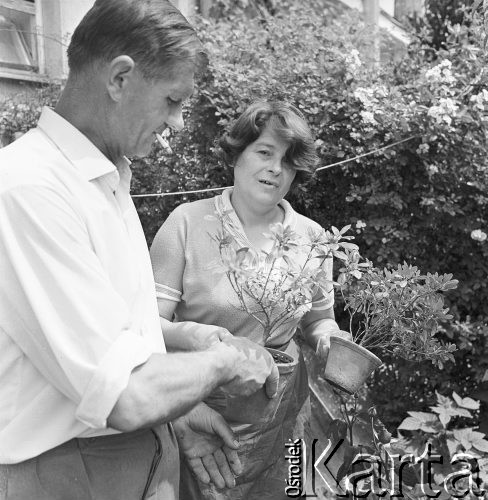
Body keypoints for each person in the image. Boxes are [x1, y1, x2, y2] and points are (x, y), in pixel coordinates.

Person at [0, 2, 280, 499]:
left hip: (124, 459)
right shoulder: (30, 188)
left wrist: (181, 387)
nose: (175, 122)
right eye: (173, 100)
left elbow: (104, 338)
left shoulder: (102, 177)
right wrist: (225, 362)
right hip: (65, 476)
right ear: (120, 78)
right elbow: (124, 395)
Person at [150, 101, 349, 499]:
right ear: (237, 154)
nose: (276, 168)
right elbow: (146, 325)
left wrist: (331, 341)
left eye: (288, 160)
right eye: (264, 152)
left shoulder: (314, 240)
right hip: (199, 408)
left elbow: (317, 321)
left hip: (281, 415)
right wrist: (185, 397)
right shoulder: (187, 223)